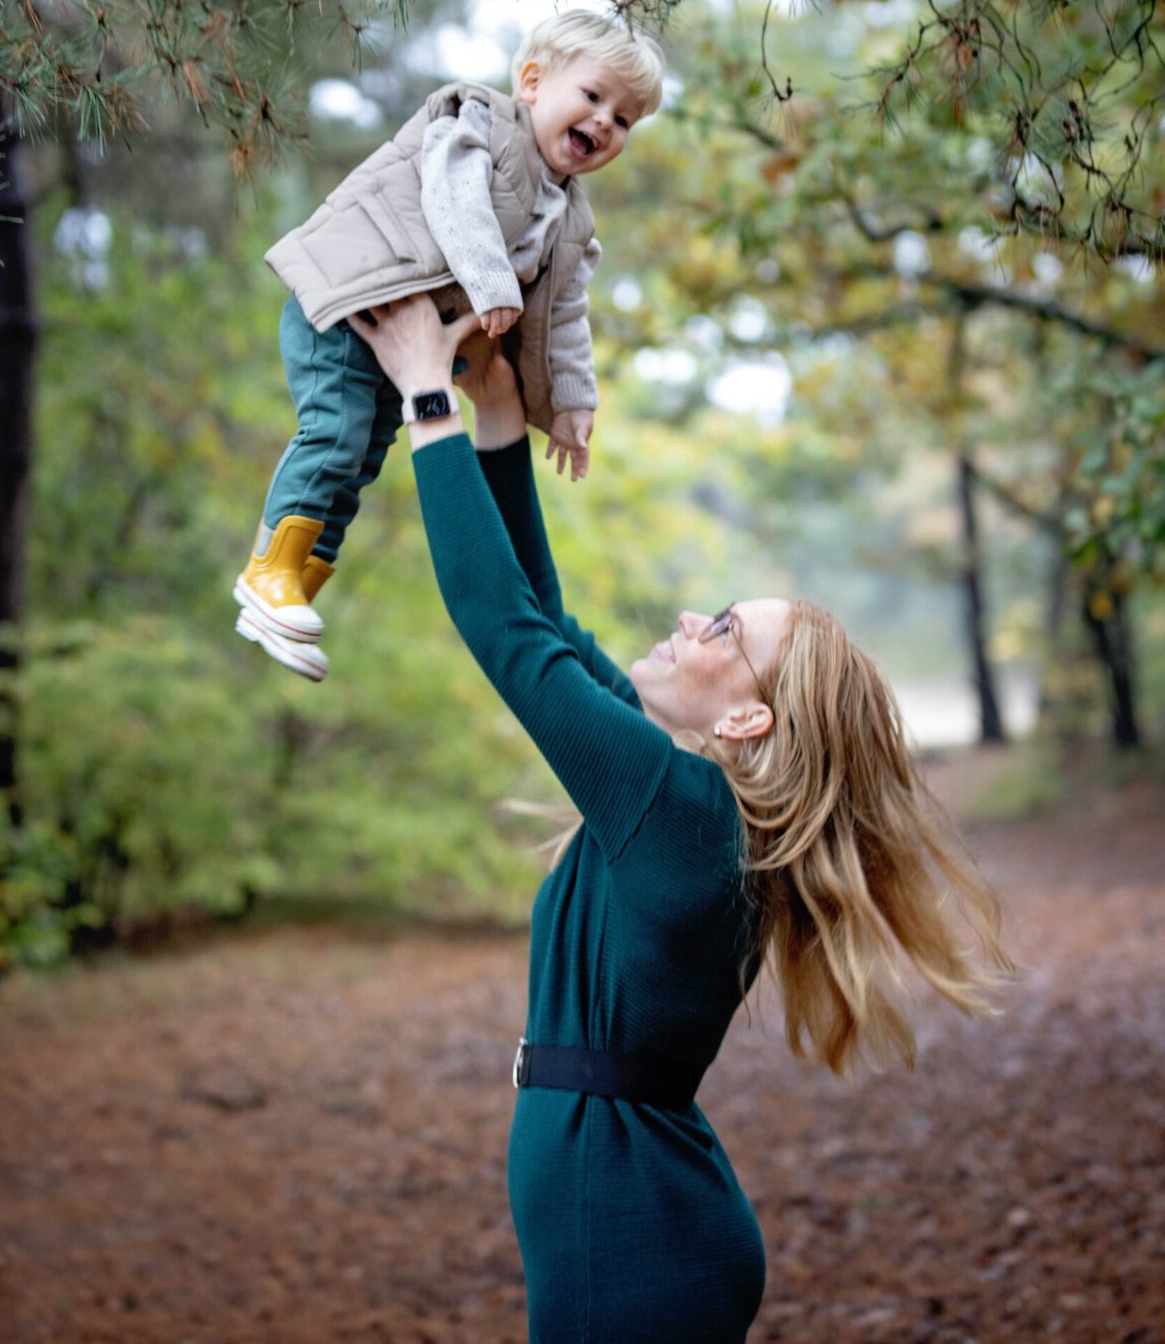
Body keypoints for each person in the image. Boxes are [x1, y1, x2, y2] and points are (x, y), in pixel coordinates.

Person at [356, 293, 1015, 1344]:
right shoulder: (687, 802)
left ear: (749, 716)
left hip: (633, 1238)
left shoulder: (681, 813)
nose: (684, 621)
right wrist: (494, 414)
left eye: (720, 628)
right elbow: (540, 618)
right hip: (638, 1223)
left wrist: (425, 393)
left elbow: (501, 630)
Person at [233, 10, 664, 680]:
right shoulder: (480, 124)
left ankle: (297, 585)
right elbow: (451, 194)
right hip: (354, 304)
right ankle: (269, 571)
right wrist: (492, 282)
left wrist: (574, 402)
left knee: (364, 456)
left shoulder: (573, 215)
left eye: (626, 118)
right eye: (593, 96)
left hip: (402, 344)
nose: (607, 121)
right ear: (531, 82)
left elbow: (567, 312)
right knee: (337, 435)